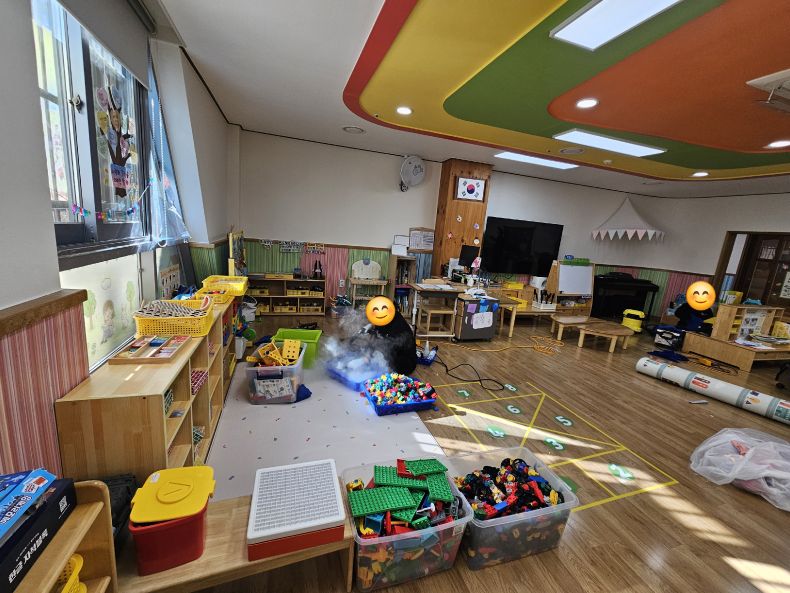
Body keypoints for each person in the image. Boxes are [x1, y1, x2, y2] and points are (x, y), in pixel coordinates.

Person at [365, 296, 417, 374]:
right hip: (390, 357)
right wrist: (368, 354)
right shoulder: (381, 319)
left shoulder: (397, 323)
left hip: (404, 363)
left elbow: (390, 346)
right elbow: (376, 337)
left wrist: (374, 357)